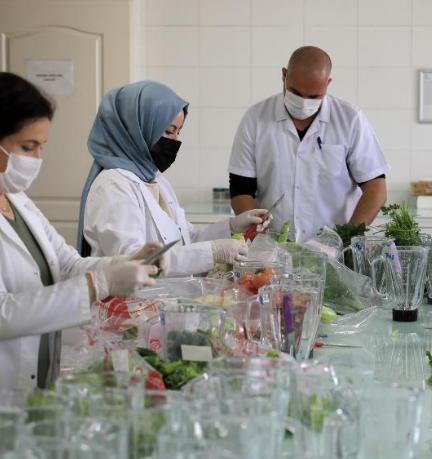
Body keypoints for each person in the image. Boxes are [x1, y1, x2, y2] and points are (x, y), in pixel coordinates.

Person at [0, 72, 161, 390]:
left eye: (41, 147)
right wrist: (99, 284)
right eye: (27, 146)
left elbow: (68, 265)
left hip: (37, 380)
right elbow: (4, 313)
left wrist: (125, 264)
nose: (36, 160)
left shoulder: (17, 201)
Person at [78, 81, 270, 275]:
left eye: (179, 131)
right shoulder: (113, 186)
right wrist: (212, 252)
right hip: (130, 301)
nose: (175, 141)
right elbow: (133, 262)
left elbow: (187, 239)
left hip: (163, 297)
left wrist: (232, 226)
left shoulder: (155, 179)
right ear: (137, 128)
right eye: (169, 131)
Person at [229, 46, 389, 242]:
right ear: (284, 75)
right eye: (296, 93)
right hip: (273, 248)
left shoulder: (350, 119)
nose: (304, 103)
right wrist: (263, 240)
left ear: (328, 83)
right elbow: (240, 191)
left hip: (334, 251)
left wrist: (346, 238)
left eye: (314, 97)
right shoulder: (256, 118)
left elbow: (376, 189)